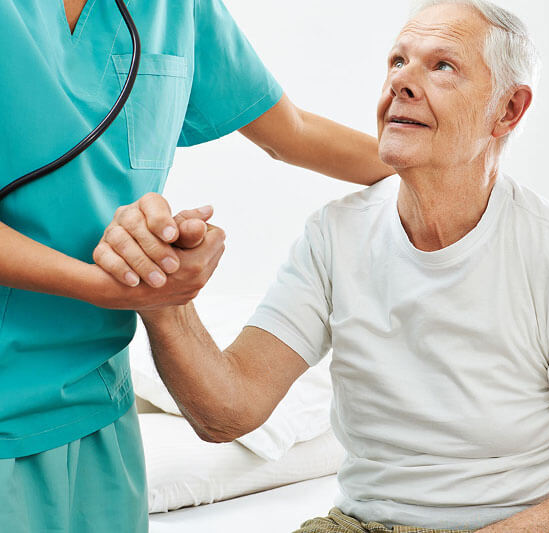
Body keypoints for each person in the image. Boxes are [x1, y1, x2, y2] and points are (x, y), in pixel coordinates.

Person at [116, 0, 549, 531]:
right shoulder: (333, 236)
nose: (401, 81)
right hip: (359, 524)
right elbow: (229, 411)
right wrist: (167, 302)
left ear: (508, 111)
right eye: (397, 61)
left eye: (442, 65)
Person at [0, 1, 393, 532]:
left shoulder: (176, 9)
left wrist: (442, 172)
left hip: (95, 406)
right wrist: (122, 290)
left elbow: (291, 131)